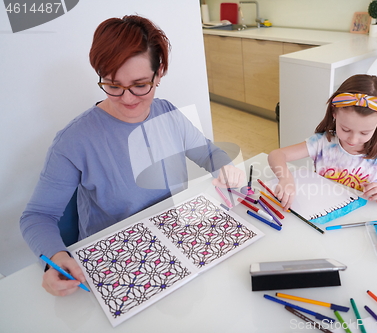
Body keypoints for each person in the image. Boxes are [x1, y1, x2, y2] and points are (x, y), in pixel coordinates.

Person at [20, 15, 245, 297]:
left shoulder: (169, 114)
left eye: (140, 85)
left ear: (159, 71)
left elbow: (209, 153)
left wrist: (226, 169)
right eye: (113, 85)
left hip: (177, 241)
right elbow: (37, 216)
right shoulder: (74, 140)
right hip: (114, 260)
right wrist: (56, 257)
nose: (127, 99)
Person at [268, 74, 377, 210]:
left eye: (364, 133)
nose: (353, 139)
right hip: (322, 210)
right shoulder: (323, 142)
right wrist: (285, 178)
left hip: (360, 215)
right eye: (345, 129)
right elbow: (276, 155)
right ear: (334, 113)